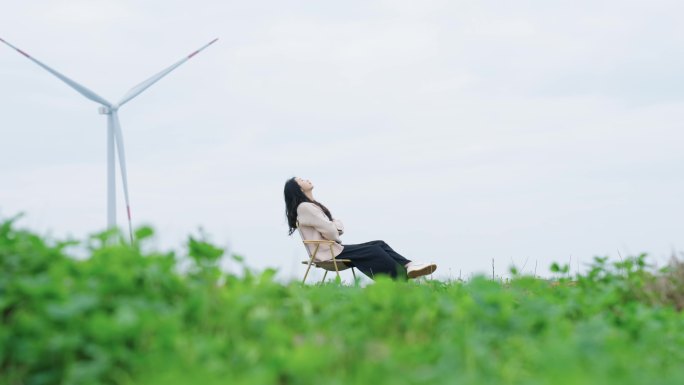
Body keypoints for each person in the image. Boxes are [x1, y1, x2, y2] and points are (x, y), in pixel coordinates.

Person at [283, 176, 437, 280]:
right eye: (301, 180)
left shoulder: (310, 206)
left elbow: (333, 227)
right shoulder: (305, 207)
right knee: (374, 251)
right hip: (328, 252)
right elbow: (332, 231)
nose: (307, 179)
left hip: (332, 248)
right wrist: (335, 227)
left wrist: (334, 227)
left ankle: (409, 266)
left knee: (379, 244)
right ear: (298, 189)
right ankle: (400, 278)